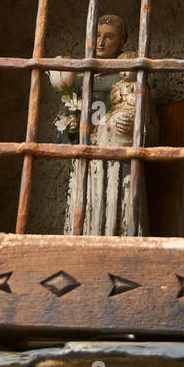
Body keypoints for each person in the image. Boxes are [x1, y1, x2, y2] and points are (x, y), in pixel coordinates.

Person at [49, 14, 158, 235]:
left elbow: (154, 133)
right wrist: (70, 130)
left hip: (123, 164)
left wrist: (137, 132)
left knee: (122, 221)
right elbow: (58, 130)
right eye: (96, 35)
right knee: (86, 222)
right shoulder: (79, 78)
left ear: (122, 41)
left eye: (108, 37)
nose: (100, 42)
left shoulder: (131, 75)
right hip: (87, 163)